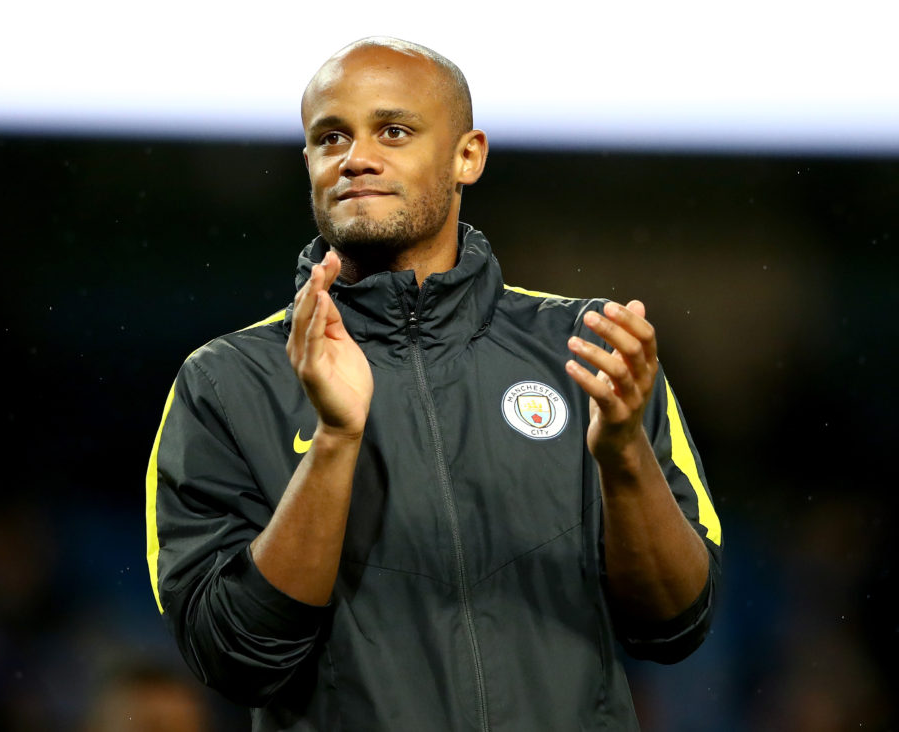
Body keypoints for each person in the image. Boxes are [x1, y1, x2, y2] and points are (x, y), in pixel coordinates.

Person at [145, 36, 723, 731]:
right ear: (309, 163)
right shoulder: (228, 380)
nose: (356, 157)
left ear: (467, 156)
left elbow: (676, 626)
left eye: (393, 130)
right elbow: (234, 655)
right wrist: (335, 440)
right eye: (331, 137)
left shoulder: (589, 351)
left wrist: (625, 457)